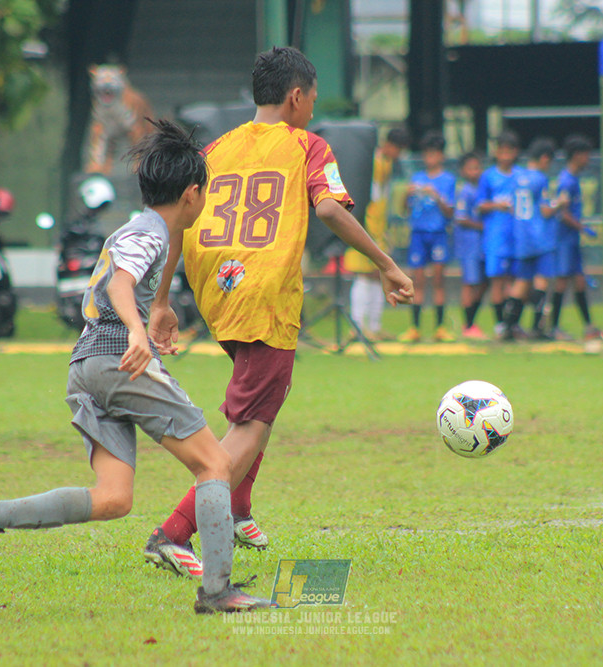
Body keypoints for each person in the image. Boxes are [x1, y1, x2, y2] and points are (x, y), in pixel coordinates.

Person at [0, 120, 273, 614]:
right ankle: (217, 591)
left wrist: (156, 310)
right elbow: (121, 283)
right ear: (191, 194)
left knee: (113, 498)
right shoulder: (149, 232)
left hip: (85, 367)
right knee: (215, 464)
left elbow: (142, 269)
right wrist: (138, 331)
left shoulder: (146, 226)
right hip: (118, 359)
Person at [144, 46, 414, 577]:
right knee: (251, 421)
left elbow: (176, 222)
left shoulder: (218, 146)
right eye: (311, 99)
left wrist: (161, 300)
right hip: (266, 292)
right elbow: (331, 208)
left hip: (218, 286)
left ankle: (238, 510)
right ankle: (172, 534)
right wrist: (385, 263)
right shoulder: (307, 145)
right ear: (296, 96)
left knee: (264, 397)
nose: (312, 109)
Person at [345, 126, 410, 340]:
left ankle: (373, 326)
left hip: (379, 226)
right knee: (363, 275)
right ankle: (357, 326)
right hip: (366, 225)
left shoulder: (386, 164)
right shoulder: (373, 162)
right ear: (390, 145)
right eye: (398, 149)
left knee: (377, 275)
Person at [500, 138, 562, 341]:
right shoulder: (540, 179)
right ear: (544, 159)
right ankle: (538, 328)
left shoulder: (517, 177)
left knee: (522, 282)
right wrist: (559, 203)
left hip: (521, 237)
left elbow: (511, 206)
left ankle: (508, 326)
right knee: (542, 280)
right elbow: (545, 211)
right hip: (539, 237)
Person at [398, 130, 457, 343]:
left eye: (433, 154)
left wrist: (436, 196)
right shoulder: (417, 178)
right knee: (417, 281)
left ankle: (440, 328)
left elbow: (450, 211)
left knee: (439, 280)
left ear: (441, 156)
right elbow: (405, 208)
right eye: (426, 154)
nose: (429, 158)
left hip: (438, 233)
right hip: (418, 234)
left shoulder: (448, 180)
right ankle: (415, 328)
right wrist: (407, 193)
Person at [548, 135, 603, 341]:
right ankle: (552, 327)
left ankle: (589, 327)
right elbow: (562, 213)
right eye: (586, 155)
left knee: (579, 281)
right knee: (562, 281)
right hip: (564, 240)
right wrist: (582, 228)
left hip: (571, 240)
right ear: (577, 156)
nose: (588, 159)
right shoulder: (566, 180)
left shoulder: (573, 179)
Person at [477, 131, 521, 337]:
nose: (504, 155)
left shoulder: (521, 176)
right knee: (497, 280)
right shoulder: (488, 176)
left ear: (515, 153)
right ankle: (500, 324)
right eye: (501, 151)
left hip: (518, 235)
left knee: (516, 280)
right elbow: (480, 205)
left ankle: (513, 322)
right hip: (496, 236)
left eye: (508, 151)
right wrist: (497, 205)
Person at [454, 152, 488, 340]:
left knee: (483, 282)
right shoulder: (465, 191)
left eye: (478, 167)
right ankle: (467, 325)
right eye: (471, 168)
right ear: (463, 171)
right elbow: (460, 218)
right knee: (470, 282)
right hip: (469, 243)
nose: (476, 171)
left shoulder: (481, 189)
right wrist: (482, 226)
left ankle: (471, 323)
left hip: (480, 243)